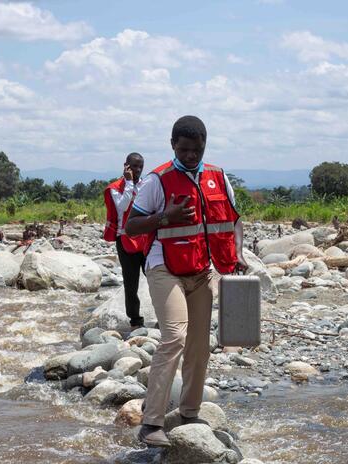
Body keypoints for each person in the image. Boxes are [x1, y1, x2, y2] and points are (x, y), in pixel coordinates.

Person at [125, 115, 248, 447]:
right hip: (164, 268)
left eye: (197, 149)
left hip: (201, 271)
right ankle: (150, 423)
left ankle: (189, 413)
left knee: (198, 345)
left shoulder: (218, 177)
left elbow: (234, 221)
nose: (191, 155)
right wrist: (166, 217)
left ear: (205, 144)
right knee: (175, 337)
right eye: (184, 149)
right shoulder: (157, 180)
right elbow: (132, 226)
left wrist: (236, 251)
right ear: (172, 145)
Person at [103, 152, 148, 329]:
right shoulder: (115, 188)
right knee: (131, 283)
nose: (137, 170)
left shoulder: (145, 185)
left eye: (140, 167)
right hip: (125, 239)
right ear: (126, 166)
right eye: (134, 166)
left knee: (155, 278)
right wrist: (129, 183)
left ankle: (163, 315)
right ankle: (136, 320)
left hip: (145, 238)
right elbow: (122, 206)